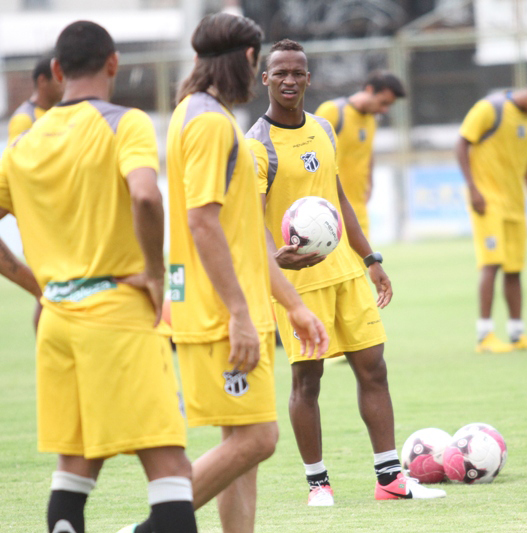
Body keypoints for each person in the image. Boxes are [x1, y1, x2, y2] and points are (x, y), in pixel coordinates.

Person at [123, 14, 328, 533]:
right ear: (248, 60)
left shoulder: (195, 112)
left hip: (230, 307)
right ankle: (148, 529)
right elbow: (202, 223)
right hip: (220, 314)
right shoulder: (211, 123)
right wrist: (239, 312)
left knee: (242, 448)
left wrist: (293, 304)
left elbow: (246, 233)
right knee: (258, 439)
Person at [0, 21, 197, 533]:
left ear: (58, 70)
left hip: (57, 321)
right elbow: (147, 196)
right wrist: (155, 275)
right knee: (171, 472)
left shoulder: (22, 145)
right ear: (113, 64)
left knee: (74, 468)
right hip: (115, 314)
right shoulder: (123, 122)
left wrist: (37, 286)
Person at [246, 38, 445, 506]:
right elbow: (249, 223)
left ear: (308, 78)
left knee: (374, 370)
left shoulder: (322, 129)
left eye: (298, 73)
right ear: (265, 79)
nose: (290, 80)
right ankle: (318, 483)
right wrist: (276, 258)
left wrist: (371, 259)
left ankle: (390, 479)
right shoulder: (256, 145)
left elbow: (337, 200)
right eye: (281, 73)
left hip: (347, 275)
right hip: (297, 284)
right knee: (307, 381)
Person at [456, 73, 527, 353]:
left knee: (515, 268)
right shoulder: (491, 109)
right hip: (487, 202)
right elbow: (461, 143)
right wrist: (473, 189)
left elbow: (526, 162)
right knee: (492, 264)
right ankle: (484, 335)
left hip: (514, 205)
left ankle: (516, 333)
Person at [314, 71, 406, 239]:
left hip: (358, 209)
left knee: (364, 263)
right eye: (383, 102)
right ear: (369, 90)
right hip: (329, 210)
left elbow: (367, 152)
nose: (384, 110)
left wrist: (370, 183)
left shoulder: (371, 120)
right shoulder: (332, 112)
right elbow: (311, 152)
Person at [8, 52, 63, 140]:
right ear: (42, 81)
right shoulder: (24, 119)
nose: (63, 84)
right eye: (58, 78)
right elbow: (15, 153)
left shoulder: (58, 112)